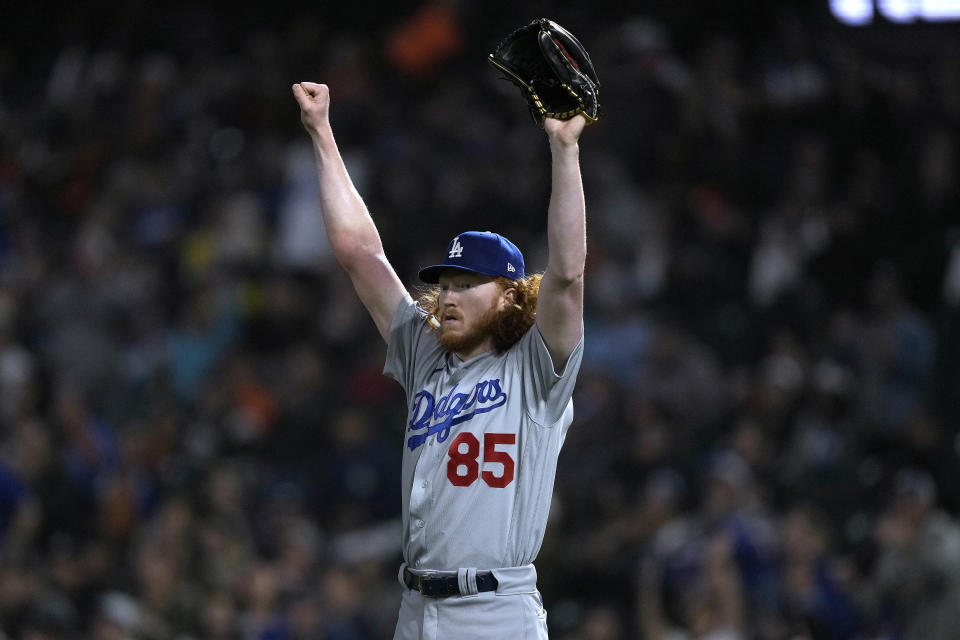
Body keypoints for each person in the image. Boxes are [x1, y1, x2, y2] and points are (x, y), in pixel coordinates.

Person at [291, 80, 588, 639]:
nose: (449, 296)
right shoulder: (425, 352)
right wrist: (323, 134)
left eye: (467, 284)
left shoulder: (535, 367)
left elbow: (568, 276)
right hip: (415, 607)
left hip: (495, 610)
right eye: (445, 284)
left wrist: (564, 149)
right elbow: (361, 255)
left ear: (510, 294)